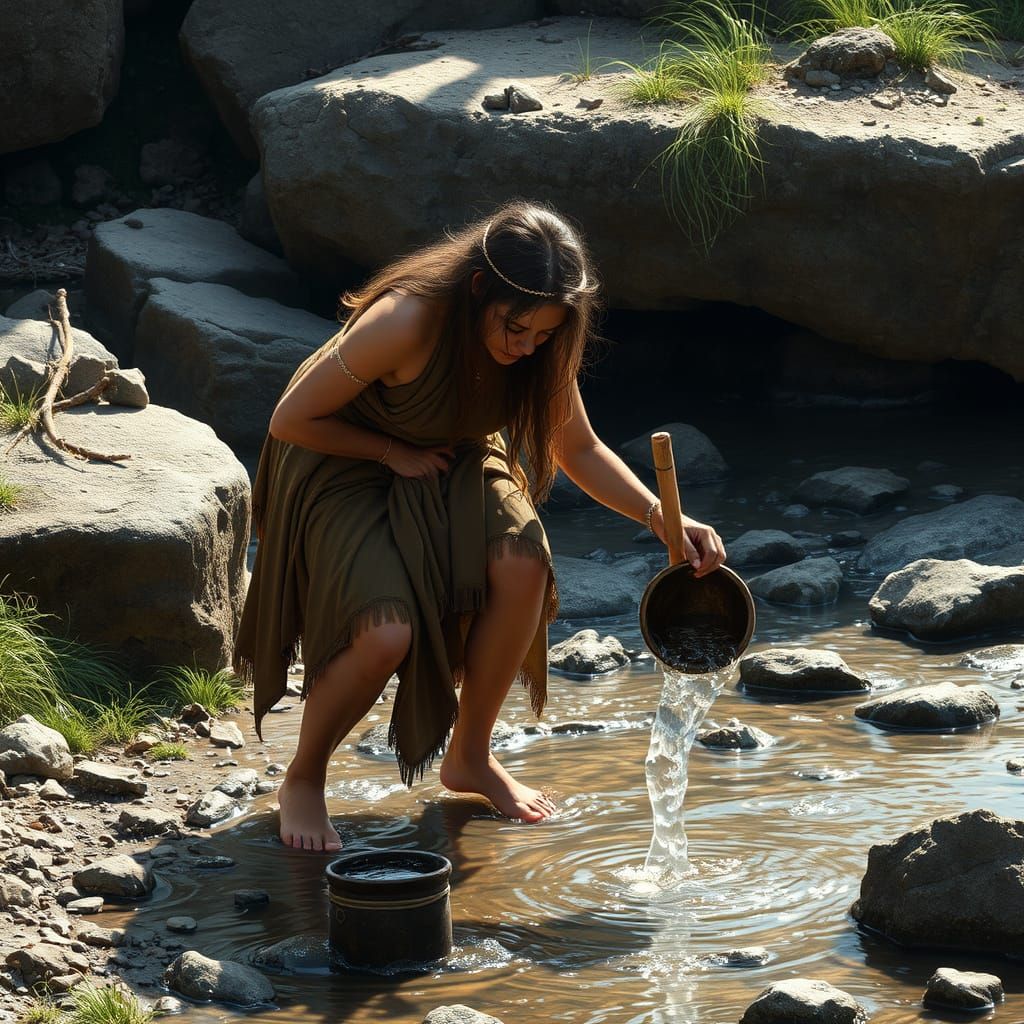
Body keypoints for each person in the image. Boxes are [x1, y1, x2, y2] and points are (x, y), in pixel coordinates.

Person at [233, 201, 726, 852]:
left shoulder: (541, 337)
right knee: (386, 636)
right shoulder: (406, 320)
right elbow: (290, 419)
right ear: (476, 291)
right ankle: (305, 777)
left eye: (543, 336)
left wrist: (660, 515)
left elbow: (575, 449)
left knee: (522, 560)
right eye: (515, 329)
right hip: (342, 456)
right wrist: (390, 453)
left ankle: (470, 755)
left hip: (451, 451)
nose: (526, 348)